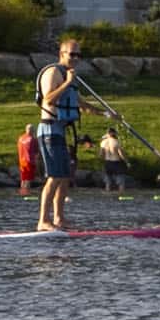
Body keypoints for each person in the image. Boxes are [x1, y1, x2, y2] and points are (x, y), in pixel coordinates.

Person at [33, 37, 88, 231]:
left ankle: (59, 218)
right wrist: (67, 83)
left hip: (60, 130)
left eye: (78, 55)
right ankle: (43, 221)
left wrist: (107, 113)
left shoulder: (69, 75)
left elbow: (81, 103)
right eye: (72, 54)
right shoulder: (54, 72)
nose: (76, 58)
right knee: (55, 176)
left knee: (65, 176)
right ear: (62, 54)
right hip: (49, 129)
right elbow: (48, 99)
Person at [99, 128, 130, 194]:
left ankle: (108, 193)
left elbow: (101, 154)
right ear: (114, 133)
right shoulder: (116, 142)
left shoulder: (103, 142)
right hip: (116, 163)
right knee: (120, 181)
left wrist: (103, 160)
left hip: (107, 162)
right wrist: (127, 162)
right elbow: (121, 154)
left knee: (108, 182)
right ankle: (121, 193)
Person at [16, 125, 37, 198]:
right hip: (30, 160)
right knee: (28, 179)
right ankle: (27, 194)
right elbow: (37, 151)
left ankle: (22, 192)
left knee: (23, 178)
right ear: (33, 131)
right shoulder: (33, 139)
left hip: (21, 160)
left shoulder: (21, 138)